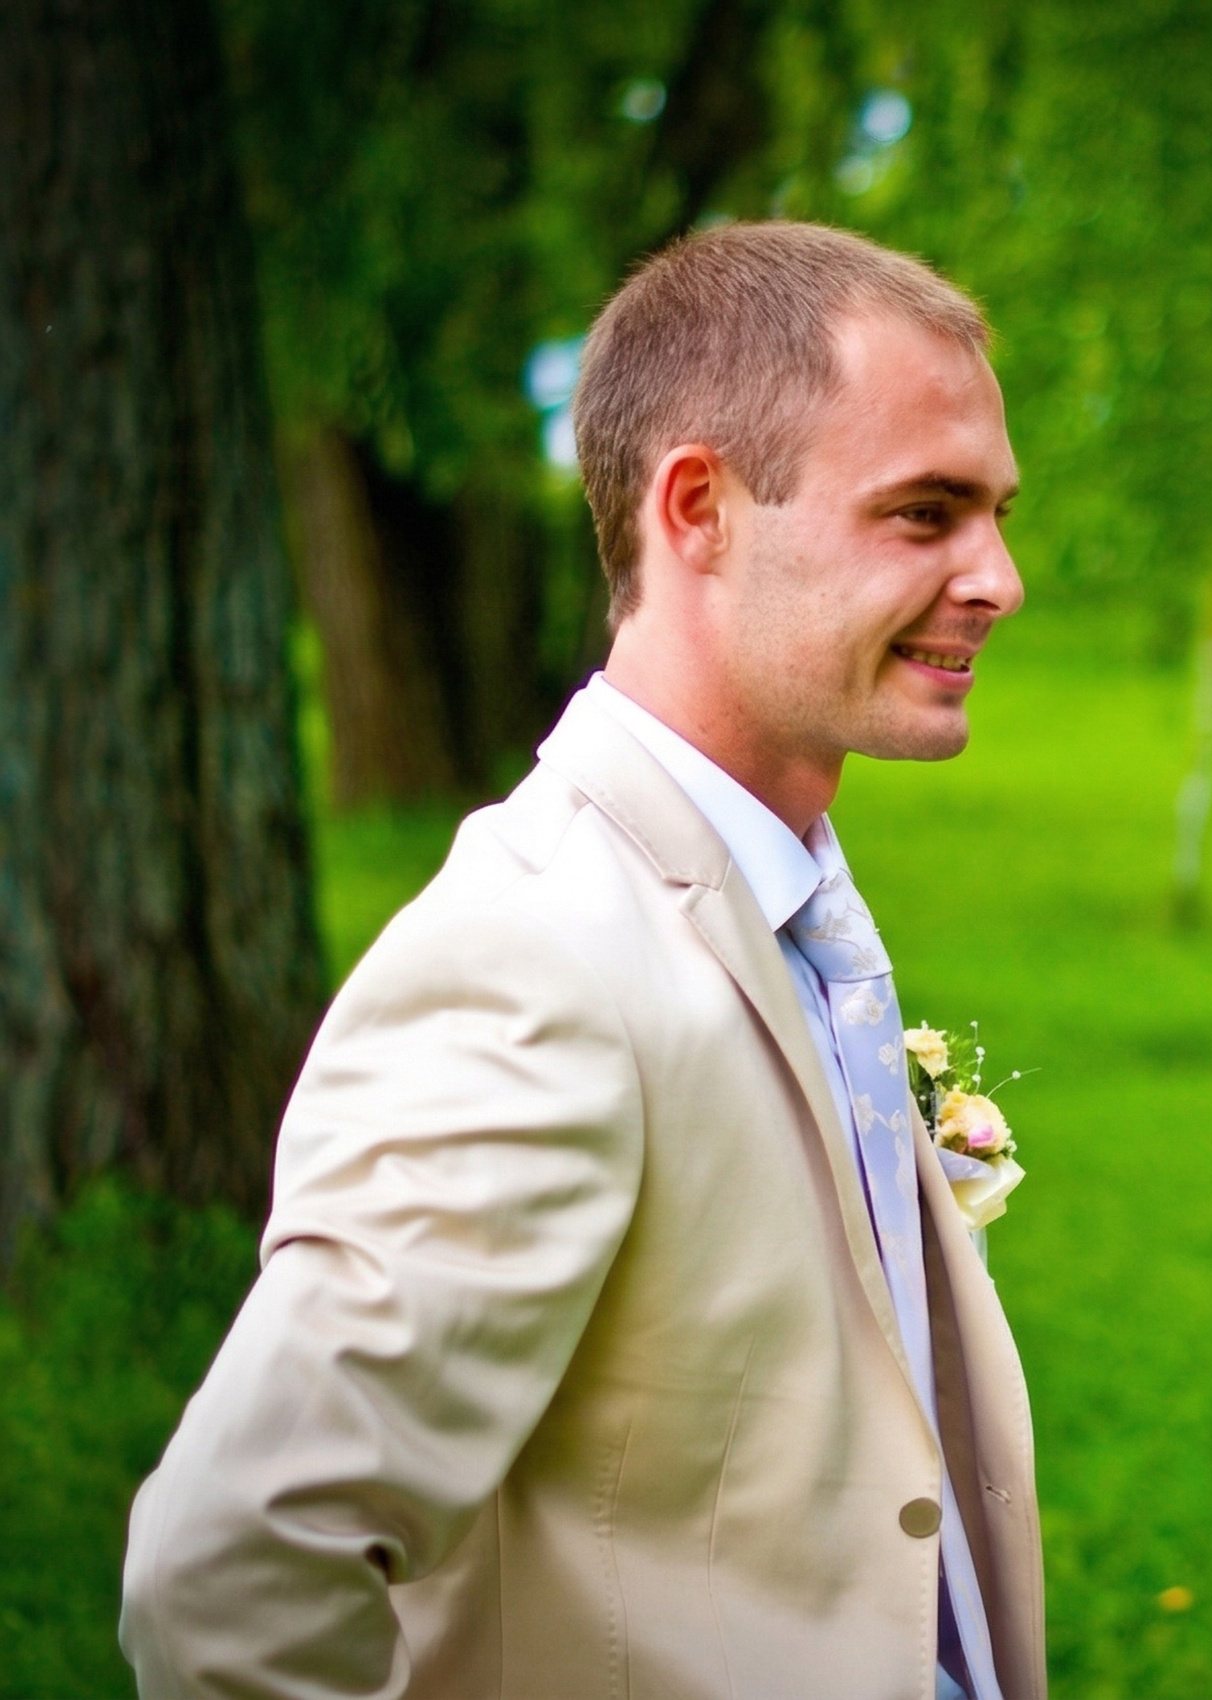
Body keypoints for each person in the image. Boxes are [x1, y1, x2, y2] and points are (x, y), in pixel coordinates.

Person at [121, 222, 1039, 1700]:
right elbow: (230, 1577)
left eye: (996, 512)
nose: (998, 577)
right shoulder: (533, 961)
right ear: (700, 508)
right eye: (926, 515)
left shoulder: (785, 898)